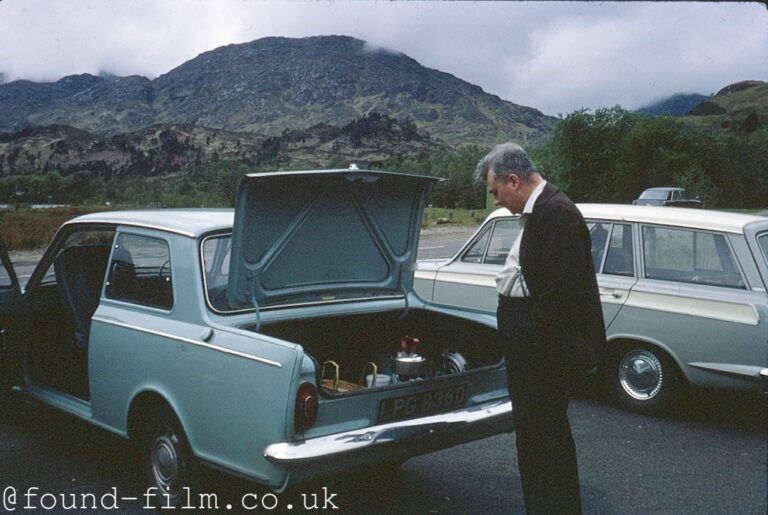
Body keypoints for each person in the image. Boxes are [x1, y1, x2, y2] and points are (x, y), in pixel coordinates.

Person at [473, 142, 605, 514]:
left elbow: (562, 297)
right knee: (535, 441)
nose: (497, 200)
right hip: (534, 349)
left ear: (513, 181)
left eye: (496, 192)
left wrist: (528, 337)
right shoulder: (542, 212)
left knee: (544, 442)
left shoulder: (556, 213)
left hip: (543, 355)